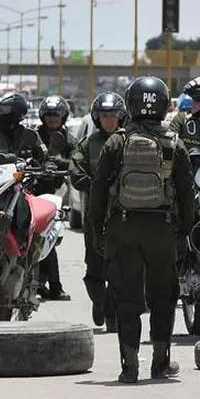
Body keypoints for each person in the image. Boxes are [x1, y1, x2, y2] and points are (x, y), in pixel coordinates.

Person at [88, 75, 195, 383]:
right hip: (161, 230)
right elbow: (186, 193)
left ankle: (129, 366)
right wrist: (183, 234)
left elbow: (97, 191)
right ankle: (160, 363)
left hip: (123, 229)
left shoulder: (116, 142)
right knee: (163, 298)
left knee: (127, 301)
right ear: (163, 105)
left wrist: (96, 230)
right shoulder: (175, 144)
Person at [70, 92, 125, 331]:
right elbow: (75, 169)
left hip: (124, 213)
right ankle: (100, 301)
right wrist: (96, 185)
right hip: (95, 214)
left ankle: (113, 312)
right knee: (94, 266)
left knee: (120, 266)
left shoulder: (130, 140)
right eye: (105, 116)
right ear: (97, 118)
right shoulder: (88, 144)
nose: (109, 120)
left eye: (113, 116)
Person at [32, 95, 76, 301]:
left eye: (56, 114)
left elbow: (77, 163)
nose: (52, 118)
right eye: (48, 114)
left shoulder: (69, 139)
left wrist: (60, 162)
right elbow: (22, 154)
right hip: (30, 190)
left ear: (63, 116)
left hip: (55, 193)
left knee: (48, 239)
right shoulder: (33, 136)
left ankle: (55, 286)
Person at [0, 92, 47, 164]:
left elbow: (45, 158)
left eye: (4, 109)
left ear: (17, 112)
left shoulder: (30, 135)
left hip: (24, 177)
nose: (0, 113)